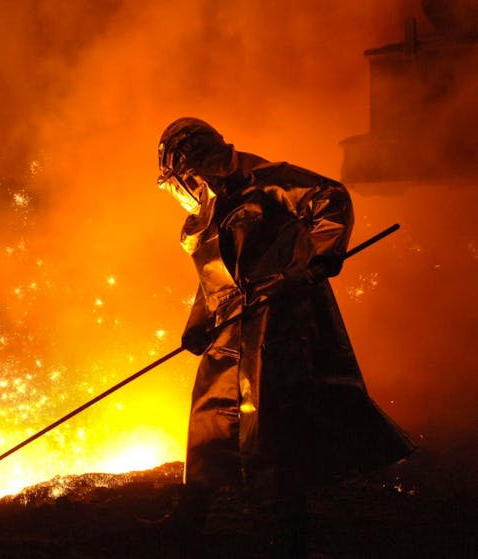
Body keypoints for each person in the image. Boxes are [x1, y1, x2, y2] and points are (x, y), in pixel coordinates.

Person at [155, 117, 416, 557]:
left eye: (188, 176)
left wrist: (317, 259)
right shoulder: (202, 221)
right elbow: (211, 282)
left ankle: (289, 532)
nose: (186, 187)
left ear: (202, 164)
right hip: (229, 332)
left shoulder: (269, 183)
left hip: (280, 324)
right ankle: (189, 517)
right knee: (208, 423)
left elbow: (331, 198)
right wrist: (196, 325)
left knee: (276, 428)